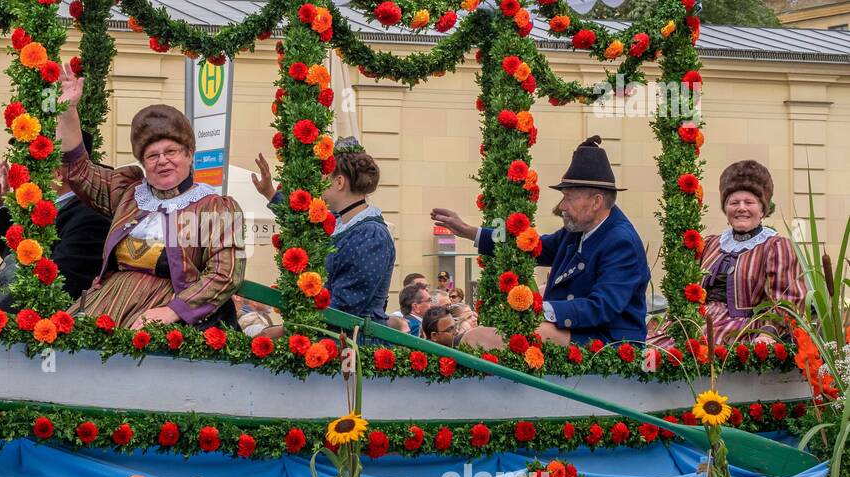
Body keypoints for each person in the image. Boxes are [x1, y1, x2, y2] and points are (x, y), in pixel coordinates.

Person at [55, 67, 245, 329]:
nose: (163, 161)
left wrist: (172, 311)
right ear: (143, 161)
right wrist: (68, 112)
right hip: (110, 301)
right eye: (152, 155)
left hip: (172, 308)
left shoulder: (215, 207)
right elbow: (78, 170)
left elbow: (225, 274)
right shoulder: (128, 193)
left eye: (171, 151)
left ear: (190, 154)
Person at [432, 136, 650, 348]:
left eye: (569, 197)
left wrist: (541, 310)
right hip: (579, 332)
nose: (562, 206)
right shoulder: (578, 230)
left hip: (610, 342)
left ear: (596, 202)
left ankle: (456, 349)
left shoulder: (621, 242)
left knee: (526, 334)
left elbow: (601, 307)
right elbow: (530, 246)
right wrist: (472, 232)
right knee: (491, 334)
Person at [652, 160, 805, 346]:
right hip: (696, 322)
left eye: (749, 202)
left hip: (742, 331)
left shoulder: (775, 247)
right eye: (734, 202)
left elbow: (787, 301)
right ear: (726, 209)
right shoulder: (710, 244)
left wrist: (768, 333)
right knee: (655, 348)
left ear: (763, 209)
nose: (741, 208)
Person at [254, 138, 396, 324]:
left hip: (354, 343)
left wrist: (289, 329)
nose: (319, 181)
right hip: (330, 332)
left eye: (323, 176)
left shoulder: (370, 234)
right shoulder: (339, 221)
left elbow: (346, 306)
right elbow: (304, 222)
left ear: (339, 182)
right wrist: (270, 193)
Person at [0, 130, 111, 311]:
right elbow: (17, 257)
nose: (23, 172)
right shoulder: (48, 210)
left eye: (32, 163)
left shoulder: (90, 217)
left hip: (32, 330)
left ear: (58, 172)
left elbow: (52, 286)